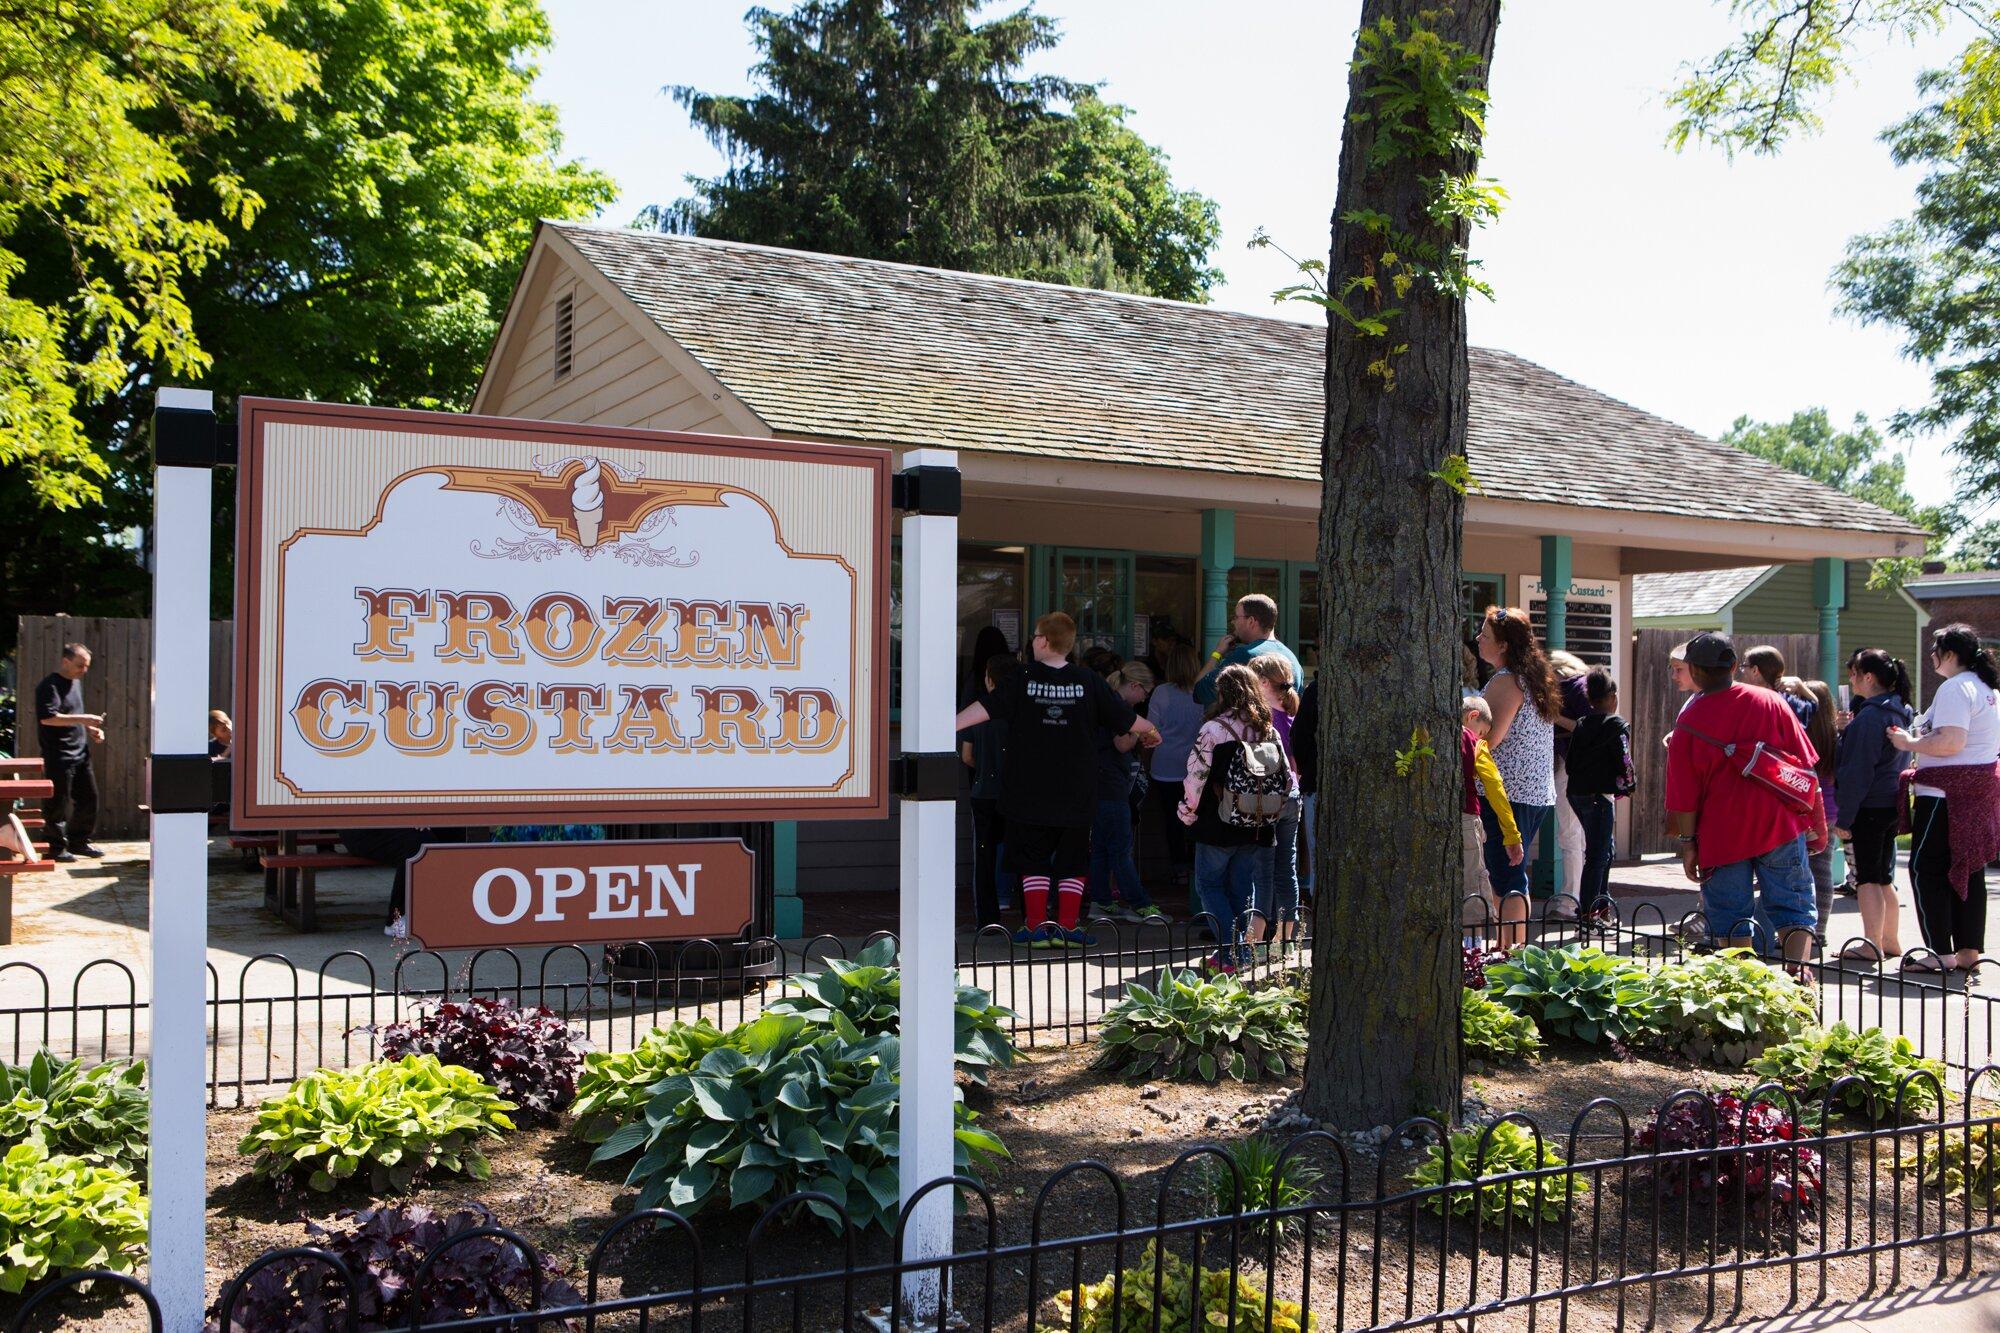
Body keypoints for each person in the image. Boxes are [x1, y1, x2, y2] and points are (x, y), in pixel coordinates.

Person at [955, 612, 1161, 949]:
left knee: (1032, 858)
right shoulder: (1088, 681)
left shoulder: (1022, 678)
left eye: (1036, 636)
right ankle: (1068, 927)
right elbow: (1125, 716)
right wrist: (1153, 730)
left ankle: (1036, 927)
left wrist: (948, 725)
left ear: (1045, 641)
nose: (1033, 641)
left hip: (1028, 789)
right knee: (1073, 859)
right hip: (1076, 790)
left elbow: (986, 708)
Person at [1665, 632, 1823, 972]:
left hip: (1721, 834)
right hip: (1778, 825)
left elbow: (1684, 795)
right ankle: (1800, 976)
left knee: (1729, 915)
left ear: (1692, 669)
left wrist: (1688, 844)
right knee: (1793, 906)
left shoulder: (1688, 722)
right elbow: (1805, 762)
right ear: (1735, 666)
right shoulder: (1771, 702)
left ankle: (1744, 986)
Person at [1887, 623, 2000, 972]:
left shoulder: (1955, 687)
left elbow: (1951, 742)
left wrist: (1908, 744)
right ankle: (1968, 952)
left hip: (1944, 794)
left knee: (1926, 868)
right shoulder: (1987, 688)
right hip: (1976, 792)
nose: (1932, 656)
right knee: (1968, 867)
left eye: (1935, 650)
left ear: (1949, 654)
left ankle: (1940, 952)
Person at [1179, 663, 1281, 973]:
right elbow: (1286, 779)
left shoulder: (1213, 729)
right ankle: (1242, 953)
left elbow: (1196, 776)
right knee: (1241, 888)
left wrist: (1188, 811)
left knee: (1209, 886)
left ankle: (1229, 951)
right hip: (1256, 822)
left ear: (1223, 693)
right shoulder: (1268, 729)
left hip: (1218, 822)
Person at [1833, 648, 1913, 962]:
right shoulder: (1897, 710)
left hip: (1868, 807)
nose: (1850, 680)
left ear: (1869, 677)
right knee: (1883, 877)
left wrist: (1844, 816)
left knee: (1865, 879)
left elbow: (1857, 772)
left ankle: (1871, 944)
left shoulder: (1870, 717)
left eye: (1854, 674)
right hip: (1890, 804)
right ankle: (1890, 941)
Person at [1476, 607, 1557, 918]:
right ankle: (1511, 950)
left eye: (1485, 635)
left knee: (1506, 877)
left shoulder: (1506, 681)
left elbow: (1489, 738)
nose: (1478, 639)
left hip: (1508, 794)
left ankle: (1512, 955)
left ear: (1504, 645)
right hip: (1532, 793)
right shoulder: (1533, 678)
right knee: (1509, 874)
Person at [1089, 662, 1166, 924]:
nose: (1145, 697)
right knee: (1121, 849)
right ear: (1134, 686)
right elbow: (1121, 743)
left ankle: (1101, 901)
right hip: (1110, 785)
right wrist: (1139, 731)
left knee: (1101, 848)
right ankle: (1140, 904)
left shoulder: (1106, 704)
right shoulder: (1118, 708)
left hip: (1098, 784)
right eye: (1145, 691)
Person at [1564, 668, 1633, 925]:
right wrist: (1628, 784)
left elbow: (1570, 764)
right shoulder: (1616, 725)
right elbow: (1625, 760)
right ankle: (1588, 915)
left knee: (1606, 850)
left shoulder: (1582, 724)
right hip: (1598, 797)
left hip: (1577, 794)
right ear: (1612, 697)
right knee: (1596, 855)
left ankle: (1602, 907)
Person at [1245, 654, 1303, 949]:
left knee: (1262, 870)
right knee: (1286, 869)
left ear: (1264, 683)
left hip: (1268, 799)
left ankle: (1252, 942)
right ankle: (1285, 941)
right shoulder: (1293, 714)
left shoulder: (1263, 718)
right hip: (1293, 797)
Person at [960, 652, 1020, 930]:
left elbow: (967, 756)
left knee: (984, 857)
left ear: (989, 679)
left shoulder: (978, 712)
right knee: (1024, 853)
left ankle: (987, 918)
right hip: (1016, 794)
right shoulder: (1021, 712)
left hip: (984, 791)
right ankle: (1029, 916)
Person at [1461, 694, 1525, 946]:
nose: (1482, 738)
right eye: (1483, 732)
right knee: (1472, 884)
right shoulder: (1473, 743)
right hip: (1466, 819)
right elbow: (1495, 788)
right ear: (1473, 716)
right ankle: (1471, 951)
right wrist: (1512, 834)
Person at [35, 643, 104, 863]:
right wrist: (84, 719)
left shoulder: (75, 684)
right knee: (57, 804)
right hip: (58, 755)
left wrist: (90, 729)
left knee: (89, 798)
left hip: (80, 752)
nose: (84, 670)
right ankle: (54, 848)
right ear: (65, 661)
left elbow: (71, 715)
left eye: (86, 666)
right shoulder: (49, 686)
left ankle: (79, 842)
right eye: (80, 666)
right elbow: (48, 717)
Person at [1145, 639, 1204, 893]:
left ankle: (1179, 869)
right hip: (1196, 765)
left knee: (1172, 821)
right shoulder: (1202, 694)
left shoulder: (1161, 692)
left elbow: (1149, 729)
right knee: (1196, 820)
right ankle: (1195, 869)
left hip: (1164, 765)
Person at [1547, 651, 1593, 921]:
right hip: (1584, 768)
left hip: (1573, 766)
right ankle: (1585, 901)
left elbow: (1587, 727)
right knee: (1583, 838)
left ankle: (1569, 902)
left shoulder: (1572, 687)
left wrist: (1555, 718)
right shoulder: (1585, 685)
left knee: (1570, 835)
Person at [1194, 594, 1303, 705]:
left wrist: (1217, 654)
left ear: (1251, 621)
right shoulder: (1293, 660)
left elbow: (1198, 692)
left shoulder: (1244, 655)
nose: (1233, 622)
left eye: (1236, 617)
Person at [1799, 679, 1841, 937]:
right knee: (1822, 870)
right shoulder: (1834, 736)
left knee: (1802, 872)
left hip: (1806, 809)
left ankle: (1801, 930)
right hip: (1830, 810)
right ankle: (1819, 930)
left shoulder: (1802, 735)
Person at [1292, 671, 1319, 906]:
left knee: (1319, 855)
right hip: (1316, 781)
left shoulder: (1317, 691)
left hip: (1317, 783)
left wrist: (1307, 767)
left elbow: (1298, 737)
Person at [1741, 646, 1817, 728]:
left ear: (1755, 670)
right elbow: (1815, 704)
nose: (1742, 671)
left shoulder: (1745, 703)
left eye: (1744, 666)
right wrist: (1799, 685)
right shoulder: (1789, 701)